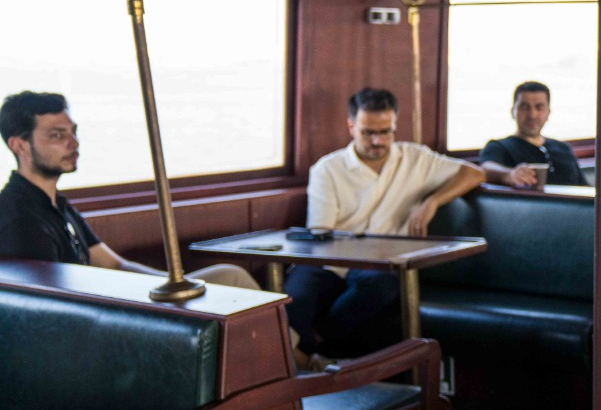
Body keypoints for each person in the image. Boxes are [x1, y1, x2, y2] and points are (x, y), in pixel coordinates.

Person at [288, 88, 484, 355]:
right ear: (351, 126)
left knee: (381, 284)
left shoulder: (415, 159)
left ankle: (320, 348)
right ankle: (305, 368)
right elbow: (321, 234)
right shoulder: (328, 168)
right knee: (294, 299)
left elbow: (474, 174)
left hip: (379, 265)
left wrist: (432, 201)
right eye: (368, 132)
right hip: (328, 262)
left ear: (394, 126)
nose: (378, 141)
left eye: (385, 132)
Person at [0, 90, 256, 289]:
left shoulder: (56, 204)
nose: (73, 143)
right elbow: (50, 299)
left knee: (231, 276)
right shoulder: (19, 218)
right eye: (56, 135)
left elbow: (113, 264)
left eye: (73, 132)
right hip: (102, 317)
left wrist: (170, 283)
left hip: (120, 297)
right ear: (19, 145)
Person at [479, 81, 586, 188]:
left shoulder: (564, 149)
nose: (532, 115)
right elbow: (486, 168)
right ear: (513, 111)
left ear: (548, 112)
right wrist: (509, 175)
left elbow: (585, 187)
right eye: (525, 107)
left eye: (539, 107)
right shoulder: (499, 147)